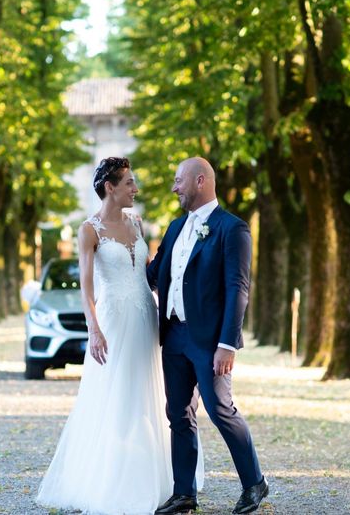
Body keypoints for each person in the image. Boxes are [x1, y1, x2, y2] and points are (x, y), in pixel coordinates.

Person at [36, 157, 202, 515]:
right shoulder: (89, 230)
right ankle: (115, 481)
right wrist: (93, 329)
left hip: (146, 316)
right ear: (110, 187)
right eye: (129, 183)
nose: (135, 189)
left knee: (148, 394)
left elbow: (148, 274)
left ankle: (160, 480)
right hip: (113, 323)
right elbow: (87, 286)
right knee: (119, 395)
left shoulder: (137, 222)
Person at [147, 157, 268, 515]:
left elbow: (237, 289)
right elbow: (155, 275)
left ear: (200, 181)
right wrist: (128, 244)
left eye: (178, 180)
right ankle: (184, 493)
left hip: (211, 342)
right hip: (174, 337)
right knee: (178, 414)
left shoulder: (233, 229)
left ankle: (254, 483)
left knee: (219, 410)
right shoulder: (173, 228)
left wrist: (227, 344)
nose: (174, 188)